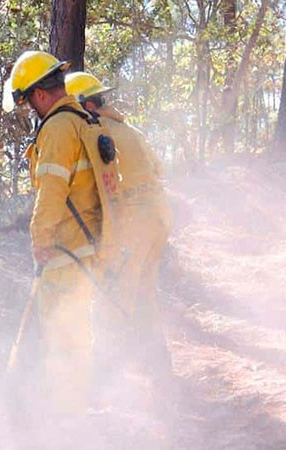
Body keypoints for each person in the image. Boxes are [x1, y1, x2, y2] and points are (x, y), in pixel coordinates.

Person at [3, 51, 104, 413]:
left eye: (29, 102)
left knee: (61, 334)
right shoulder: (83, 121)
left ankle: (64, 414)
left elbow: (52, 192)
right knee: (77, 333)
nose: (32, 110)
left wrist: (40, 240)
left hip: (64, 251)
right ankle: (75, 405)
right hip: (85, 248)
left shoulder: (59, 127)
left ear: (41, 94)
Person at [65, 71, 174, 379]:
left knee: (113, 296)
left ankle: (108, 380)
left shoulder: (95, 132)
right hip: (159, 215)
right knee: (144, 292)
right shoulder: (130, 130)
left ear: (86, 105)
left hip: (133, 220)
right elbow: (159, 168)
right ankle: (159, 369)